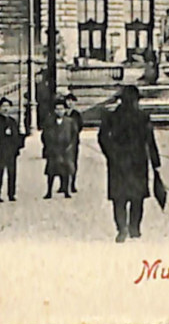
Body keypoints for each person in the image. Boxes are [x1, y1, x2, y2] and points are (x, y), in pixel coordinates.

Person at [96, 85, 161, 242]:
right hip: (138, 162)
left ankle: (122, 229)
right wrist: (155, 162)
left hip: (118, 162)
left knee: (119, 199)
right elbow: (150, 141)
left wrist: (110, 154)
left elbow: (102, 137)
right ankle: (134, 228)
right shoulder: (142, 117)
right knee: (136, 198)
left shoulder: (111, 117)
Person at [0, 97, 23, 202]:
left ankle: (11, 194)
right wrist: (4, 133)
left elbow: (16, 135)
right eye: (3, 106)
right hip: (2, 150)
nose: (5, 108)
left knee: (12, 173)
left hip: (12, 150)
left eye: (7, 106)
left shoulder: (13, 121)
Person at [41, 107, 74, 199]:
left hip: (65, 150)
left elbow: (74, 135)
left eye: (61, 109)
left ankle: (66, 191)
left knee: (66, 171)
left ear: (64, 110)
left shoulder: (69, 121)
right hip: (53, 150)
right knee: (51, 172)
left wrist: (70, 146)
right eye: (57, 109)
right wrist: (48, 145)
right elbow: (44, 135)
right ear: (54, 110)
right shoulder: (49, 122)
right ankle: (49, 191)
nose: (60, 111)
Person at [62, 94, 84, 195]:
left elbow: (80, 126)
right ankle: (63, 185)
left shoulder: (76, 114)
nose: (69, 103)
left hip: (74, 142)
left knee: (73, 163)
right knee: (62, 163)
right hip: (63, 142)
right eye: (68, 100)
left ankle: (72, 184)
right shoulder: (63, 113)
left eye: (72, 101)